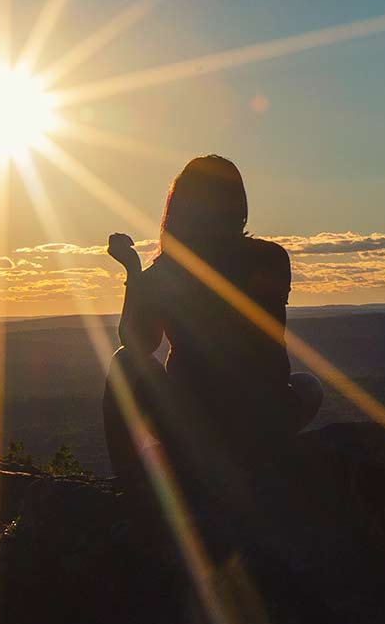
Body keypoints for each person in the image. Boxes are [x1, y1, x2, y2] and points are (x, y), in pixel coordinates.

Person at [101, 155, 323, 487]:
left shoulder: (168, 271)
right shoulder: (271, 258)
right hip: (263, 418)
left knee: (123, 362)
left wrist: (135, 273)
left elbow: (137, 343)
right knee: (308, 386)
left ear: (179, 208)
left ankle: (131, 479)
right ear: (238, 204)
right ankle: (250, 455)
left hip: (194, 423)